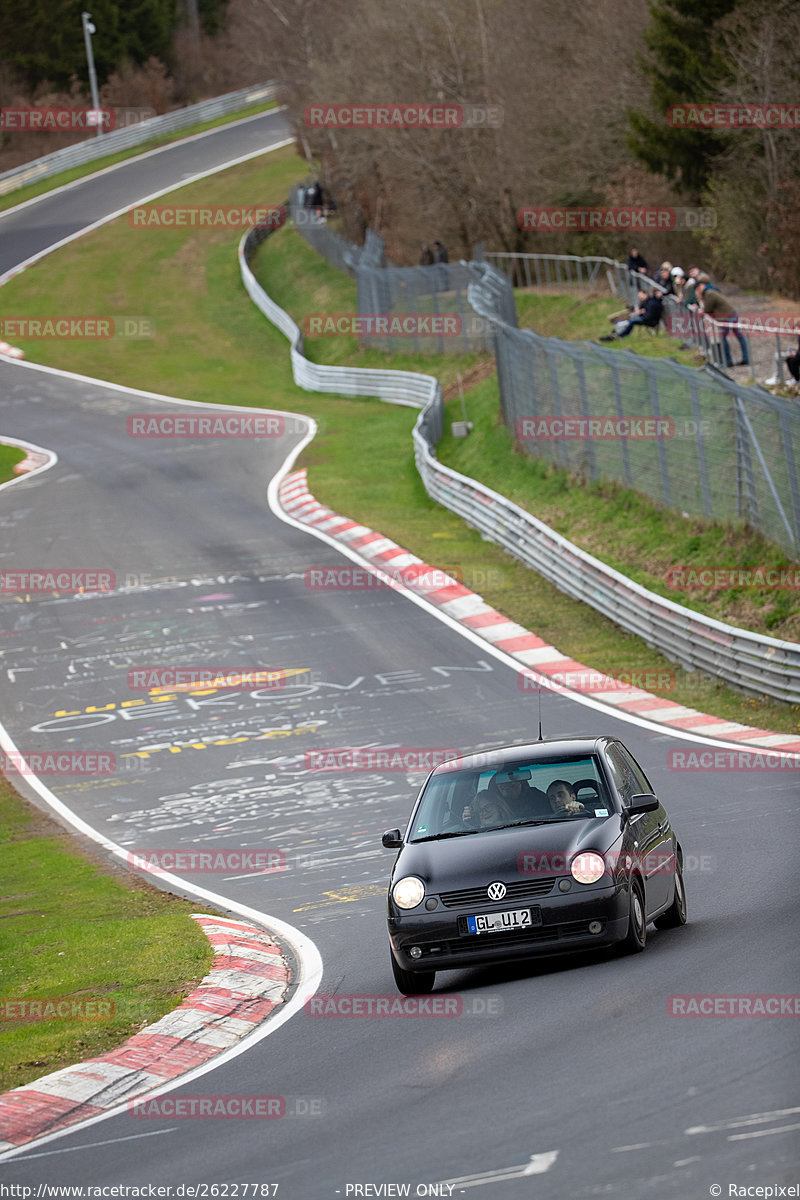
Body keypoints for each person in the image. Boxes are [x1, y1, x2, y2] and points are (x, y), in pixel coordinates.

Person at [696, 281, 750, 367]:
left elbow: (708, 308)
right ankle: (745, 357)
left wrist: (702, 307)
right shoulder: (710, 292)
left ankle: (728, 361)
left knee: (723, 338)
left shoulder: (709, 294)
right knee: (739, 335)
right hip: (731, 314)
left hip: (727, 316)